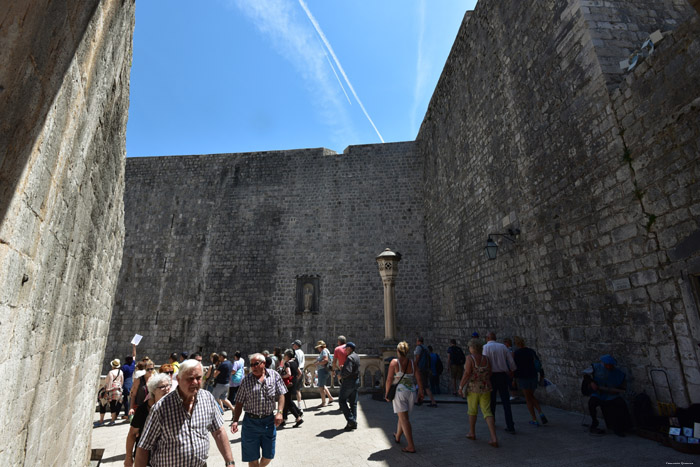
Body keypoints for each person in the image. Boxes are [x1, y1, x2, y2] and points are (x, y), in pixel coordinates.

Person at [135, 359, 235, 467]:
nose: (195, 383)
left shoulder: (208, 398)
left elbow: (219, 431)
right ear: (178, 379)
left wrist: (230, 462)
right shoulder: (161, 408)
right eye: (190, 379)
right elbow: (144, 447)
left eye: (198, 378)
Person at [230, 353, 287, 466]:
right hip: (250, 423)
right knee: (252, 458)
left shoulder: (274, 375)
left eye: (256, 364)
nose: (253, 367)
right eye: (251, 365)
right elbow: (239, 402)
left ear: (264, 363)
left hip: (269, 421)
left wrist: (279, 412)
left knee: (268, 455)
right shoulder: (246, 380)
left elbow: (281, 394)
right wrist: (235, 420)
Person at [124, 373, 171, 467]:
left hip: (167, 459)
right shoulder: (143, 410)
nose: (166, 389)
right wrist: (128, 457)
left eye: (168, 385)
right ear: (153, 390)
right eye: (162, 387)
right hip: (146, 458)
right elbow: (132, 434)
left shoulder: (172, 407)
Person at [459, 338, 499, 448]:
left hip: (473, 388)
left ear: (472, 347)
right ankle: (494, 437)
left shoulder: (470, 358)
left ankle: (472, 432)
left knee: (472, 410)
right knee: (487, 411)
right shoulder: (486, 359)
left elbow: (467, 373)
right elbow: (490, 372)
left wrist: (461, 386)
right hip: (485, 387)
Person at [385, 341, 423, 453]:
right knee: (403, 416)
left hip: (400, 392)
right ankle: (397, 436)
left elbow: (389, 379)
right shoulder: (412, 362)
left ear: (398, 351)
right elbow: (419, 378)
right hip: (411, 392)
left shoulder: (394, 362)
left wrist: (387, 393)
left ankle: (411, 446)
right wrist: (421, 390)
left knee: (404, 419)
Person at [587, 354, 631, 436]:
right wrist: (591, 382)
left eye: (611, 365)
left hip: (610, 395)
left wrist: (615, 390)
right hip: (598, 394)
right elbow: (586, 375)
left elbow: (622, 387)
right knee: (591, 403)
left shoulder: (618, 373)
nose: (609, 367)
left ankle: (620, 428)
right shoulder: (596, 367)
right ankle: (594, 423)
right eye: (607, 365)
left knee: (620, 404)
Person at [482, 332, 517, 433]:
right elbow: (511, 361)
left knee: (492, 401)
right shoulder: (502, 347)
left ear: (487, 338)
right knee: (506, 401)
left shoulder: (485, 347)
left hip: (491, 376)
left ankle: (492, 422)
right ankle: (510, 425)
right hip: (502, 375)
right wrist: (512, 371)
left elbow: (485, 362)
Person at [512, 336, 547, 426]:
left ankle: (534, 419)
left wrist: (514, 379)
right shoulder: (531, 351)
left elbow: (515, 368)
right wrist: (541, 376)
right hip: (533, 376)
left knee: (528, 398)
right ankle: (541, 413)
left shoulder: (517, 353)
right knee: (531, 395)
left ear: (516, 343)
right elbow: (538, 363)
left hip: (524, 377)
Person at [339, 342, 361, 430]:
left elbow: (348, 371)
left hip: (348, 382)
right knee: (353, 403)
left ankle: (351, 420)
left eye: (346, 349)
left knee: (342, 400)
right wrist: (343, 367)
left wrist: (341, 375)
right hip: (356, 381)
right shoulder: (356, 356)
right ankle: (353, 423)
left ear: (349, 349)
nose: (345, 351)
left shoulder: (350, 358)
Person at [280, 349, 304, 428]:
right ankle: (284, 419)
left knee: (287, 401)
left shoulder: (287, 363)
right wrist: (295, 379)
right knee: (287, 401)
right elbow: (300, 373)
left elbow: (288, 373)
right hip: (293, 383)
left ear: (287, 356)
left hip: (287, 384)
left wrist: (282, 376)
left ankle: (298, 417)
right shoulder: (295, 363)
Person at [97, 359, 124, 426]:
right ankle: (112, 421)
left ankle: (101, 421)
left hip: (110, 390)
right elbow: (121, 381)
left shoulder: (111, 372)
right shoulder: (120, 372)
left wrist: (107, 391)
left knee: (103, 404)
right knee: (113, 405)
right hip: (117, 390)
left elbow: (110, 382)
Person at [414, 337, 437, 407]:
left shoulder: (419, 348)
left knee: (425, 386)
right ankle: (419, 400)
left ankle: (433, 402)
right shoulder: (426, 348)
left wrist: (414, 365)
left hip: (421, 368)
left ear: (418, 341)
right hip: (426, 368)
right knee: (420, 384)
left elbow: (417, 357)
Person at [314, 340, 334, 406]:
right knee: (322, 385)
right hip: (324, 370)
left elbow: (325, 360)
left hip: (323, 370)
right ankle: (330, 398)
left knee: (321, 387)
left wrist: (318, 363)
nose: (318, 349)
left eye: (318, 347)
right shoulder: (326, 350)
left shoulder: (324, 351)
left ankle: (323, 402)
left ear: (321, 347)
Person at [122, 344, 137, 419]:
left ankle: (126, 414)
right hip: (131, 382)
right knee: (130, 398)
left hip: (125, 383)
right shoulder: (132, 365)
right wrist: (134, 347)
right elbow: (134, 355)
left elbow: (121, 376)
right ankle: (129, 413)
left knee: (125, 399)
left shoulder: (124, 367)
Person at [291, 340, 305, 410]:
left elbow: (296, 362)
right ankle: (299, 406)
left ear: (296, 345)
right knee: (298, 389)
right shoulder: (302, 352)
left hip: (297, 370)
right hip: (302, 370)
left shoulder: (295, 352)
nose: (293, 346)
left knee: (290, 389)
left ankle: (290, 406)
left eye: (293, 345)